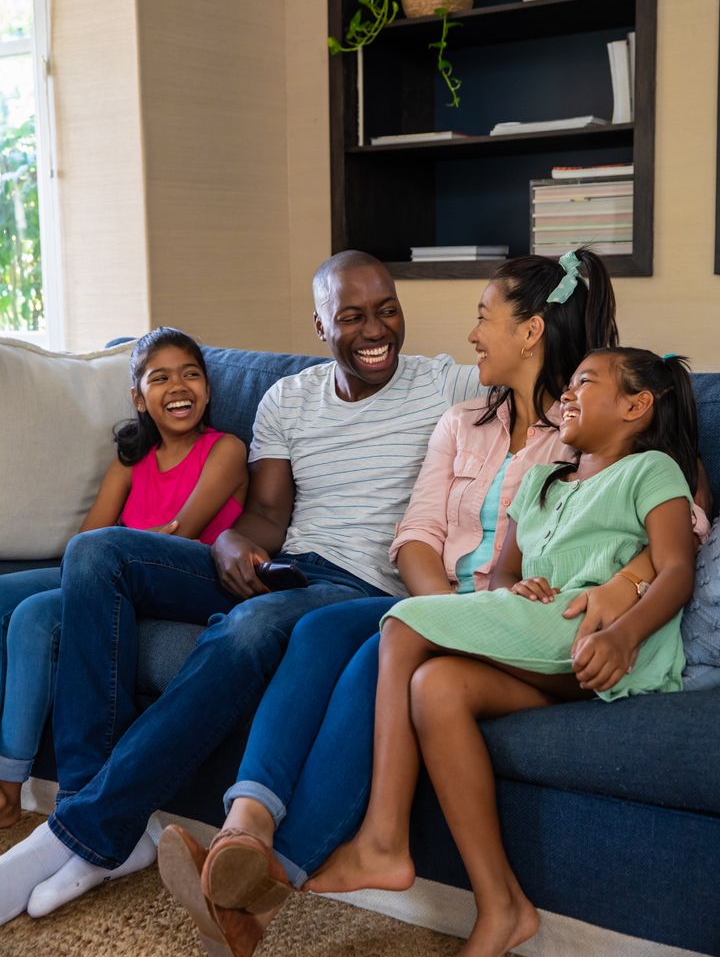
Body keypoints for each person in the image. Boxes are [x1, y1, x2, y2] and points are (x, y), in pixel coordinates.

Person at [158, 250, 676, 956]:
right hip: (456, 608)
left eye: (483, 317)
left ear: (528, 333)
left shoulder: (589, 429)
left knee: (377, 644)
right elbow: (417, 535)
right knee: (338, 639)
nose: (469, 334)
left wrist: (625, 587)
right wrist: (444, 617)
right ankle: (249, 832)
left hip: (526, 625)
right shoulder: (462, 417)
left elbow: (681, 514)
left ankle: (294, 857)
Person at [0, 250, 482, 927]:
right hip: (284, 567)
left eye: (387, 310)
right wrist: (233, 543)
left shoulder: (444, 384)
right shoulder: (289, 398)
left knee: (252, 627)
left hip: (360, 589)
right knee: (96, 552)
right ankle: (95, 805)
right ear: (319, 325)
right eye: (352, 316)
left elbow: (552, 368)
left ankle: (75, 834)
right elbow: (266, 516)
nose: (376, 330)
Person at [311, 347, 700, 957]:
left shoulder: (652, 471)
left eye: (586, 383)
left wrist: (624, 634)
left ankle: (383, 840)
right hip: (547, 633)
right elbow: (500, 580)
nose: (567, 394)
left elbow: (678, 568)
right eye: (568, 383)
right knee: (434, 687)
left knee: (402, 626)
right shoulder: (541, 481)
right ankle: (502, 907)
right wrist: (516, 588)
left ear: (636, 405)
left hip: (602, 640)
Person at [0, 326, 248, 830]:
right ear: (138, 397)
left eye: (191, 374)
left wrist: (121, 542)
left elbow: (182, 533)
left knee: (33, 615)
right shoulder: (131, 461)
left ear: (207, 388)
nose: (178, 387)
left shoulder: (226, 450)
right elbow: (82, 547)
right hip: (108, 577)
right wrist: (113, 545)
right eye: (160, 378)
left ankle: (9, 781)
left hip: (182, 579)